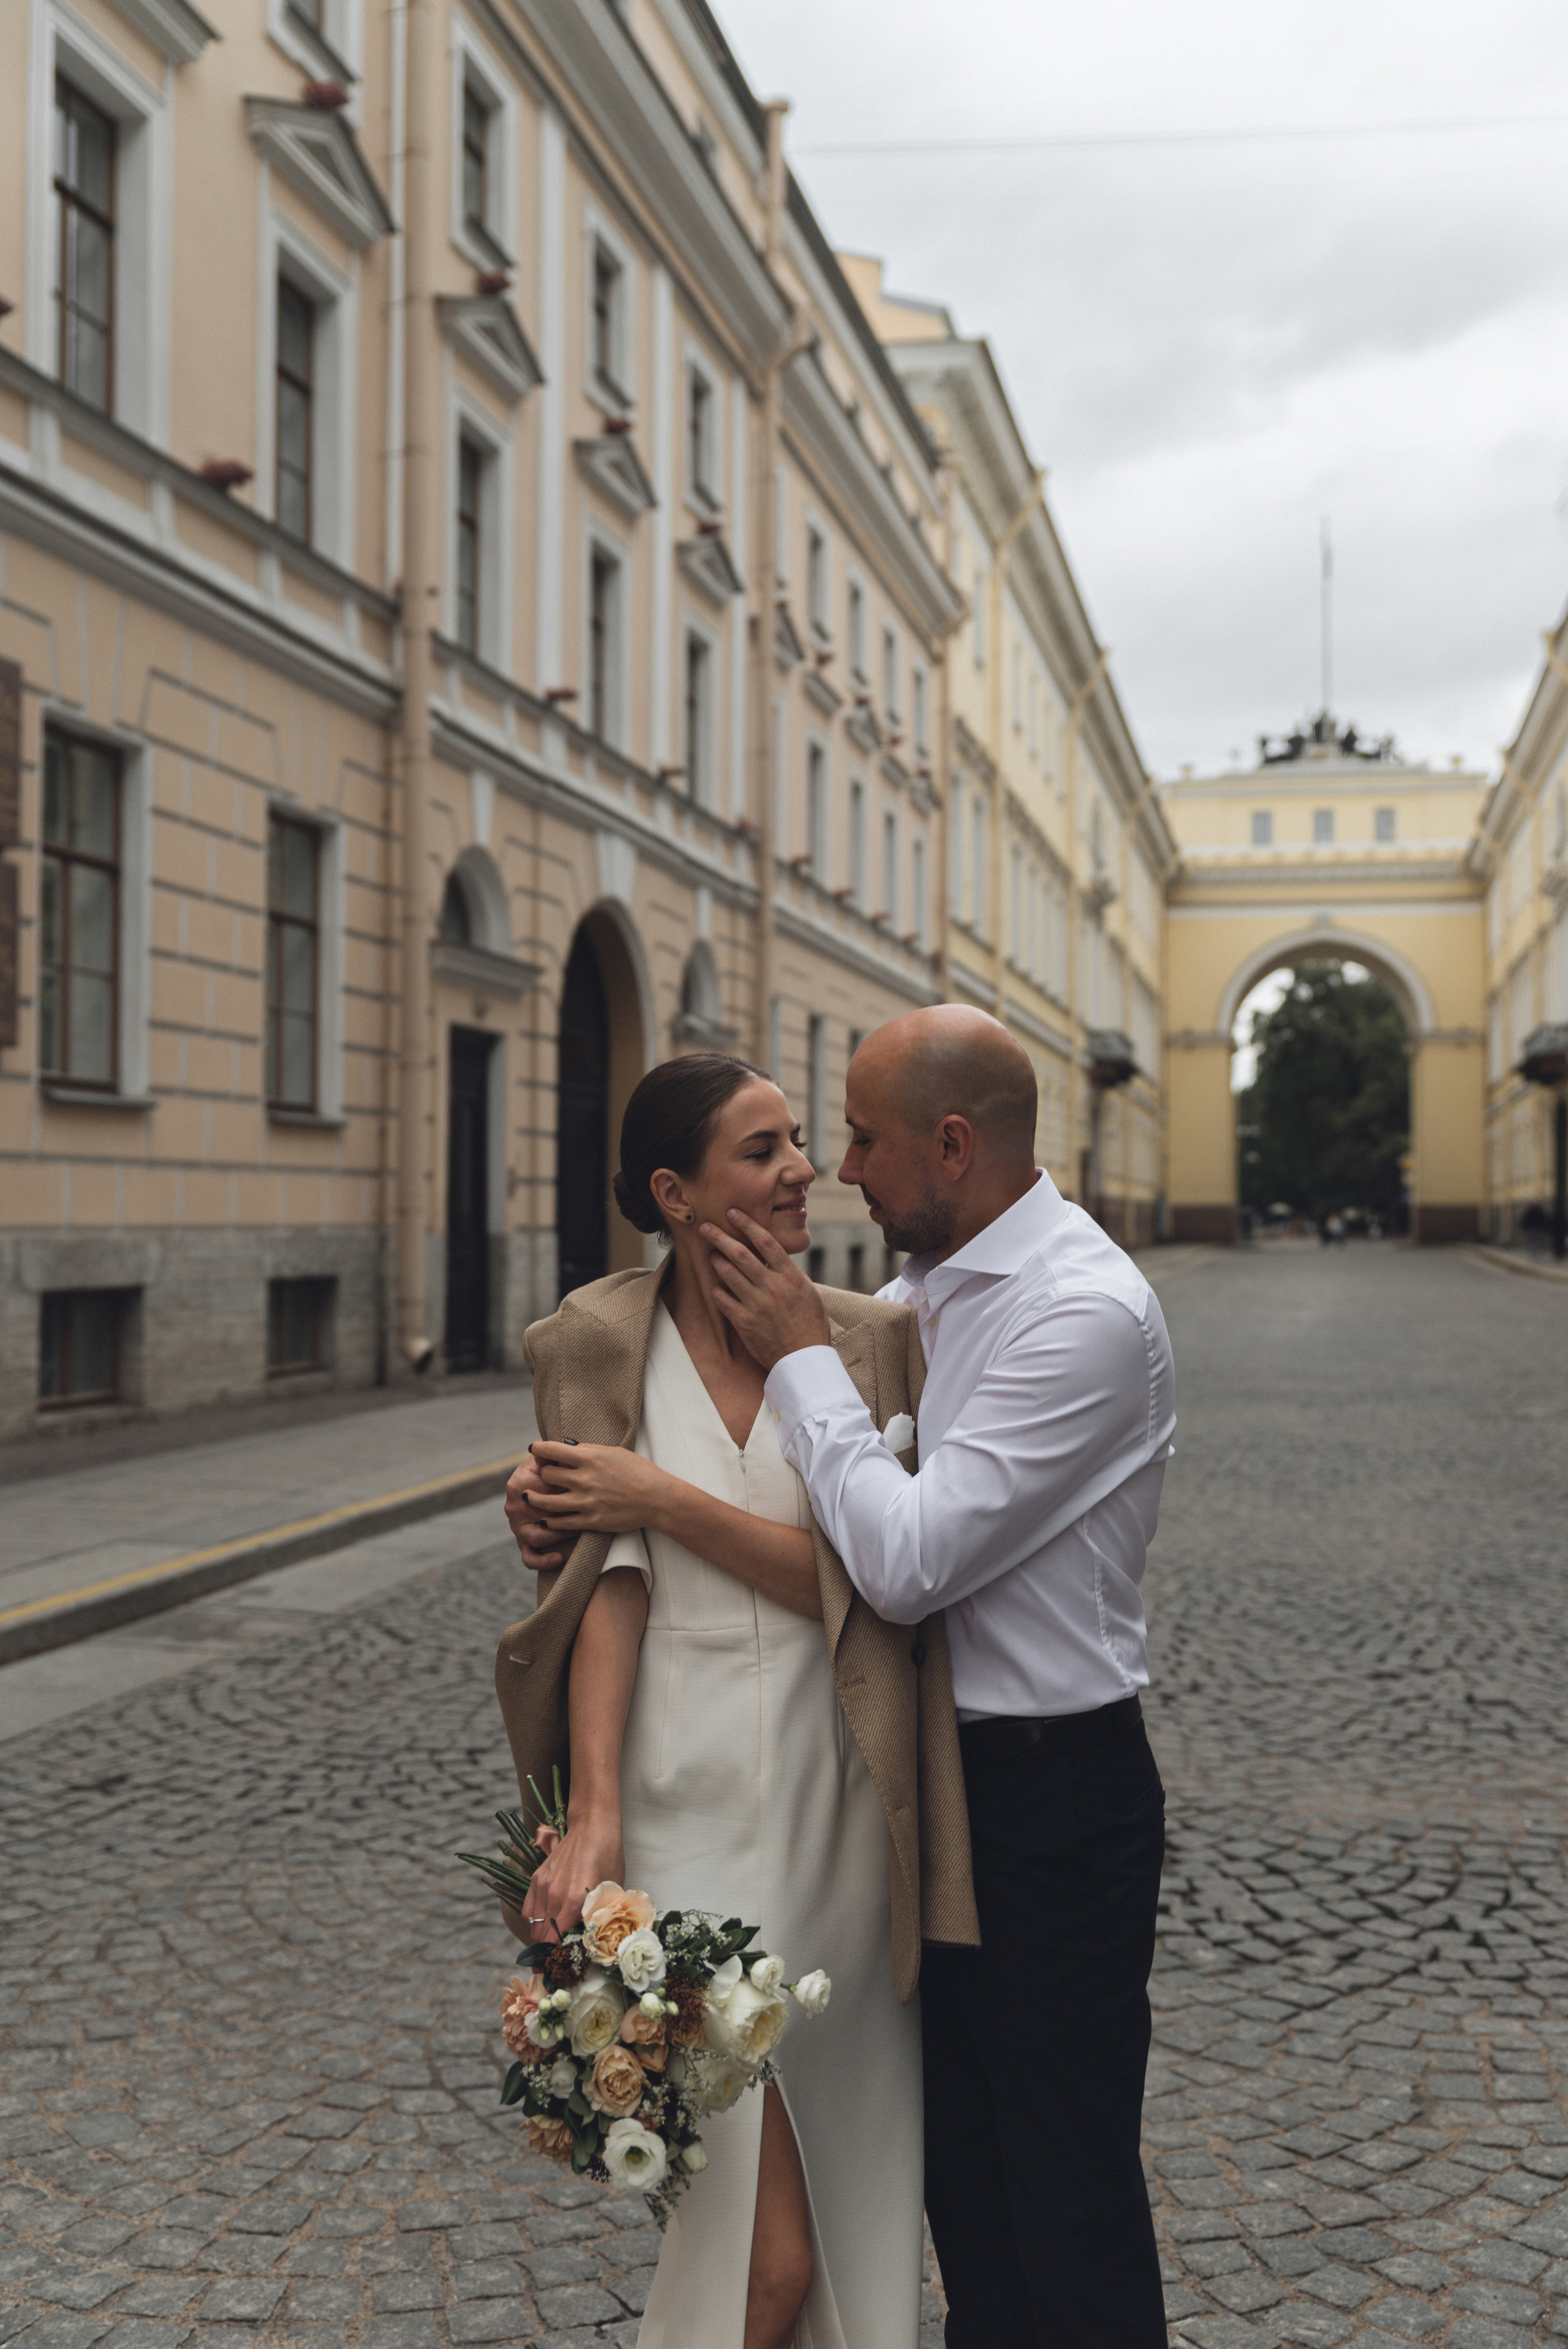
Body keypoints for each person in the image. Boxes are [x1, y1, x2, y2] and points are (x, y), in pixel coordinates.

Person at [698, 1005, 1176, 2349]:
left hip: (1048, 1799)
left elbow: (902, 1563)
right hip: (926, 1787)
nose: (840, 1166)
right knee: (964, 2196)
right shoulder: (929, 1291)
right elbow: (772, 1461)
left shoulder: (1080, 1315)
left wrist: (798, 1351)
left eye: (860, 1136)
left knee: (1063, 2202)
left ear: (952, 1145)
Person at [496, 1053, 977, 2349]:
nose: (801, 1171)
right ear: (675, 1190)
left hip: (839, 1802)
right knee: (756, 2260)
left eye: (796, 1145)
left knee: (856, 2219)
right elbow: (609, 1588)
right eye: (759, 1151)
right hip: (676, 1806)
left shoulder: (874, 1340)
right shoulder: (593, 1340)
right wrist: (593, 1813)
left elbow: (866, 1590)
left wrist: (657, 1498)